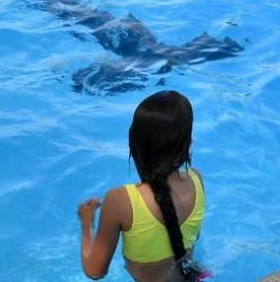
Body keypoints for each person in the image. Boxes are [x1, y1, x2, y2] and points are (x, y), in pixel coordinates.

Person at [78, 90, 206, 282]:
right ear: (188, 145)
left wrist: (87, 224)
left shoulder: (121, 201)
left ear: (134, 145)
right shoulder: (197, 179)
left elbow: (95, 271)